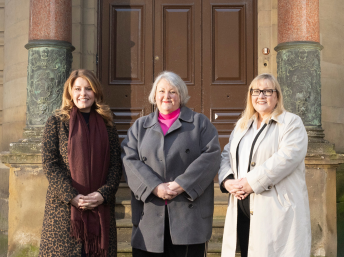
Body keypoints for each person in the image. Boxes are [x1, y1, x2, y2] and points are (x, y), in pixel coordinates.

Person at [121, 71, 221, 256]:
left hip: (188, 218)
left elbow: (212, 156)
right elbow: (129, 159)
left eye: (172, 91)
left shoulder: (200, 123)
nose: (166, 96)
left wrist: (182, 184)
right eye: (161, 91)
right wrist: (155, 186)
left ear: (181, 95)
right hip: (150, 216)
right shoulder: (139, 127)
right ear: (154, 95)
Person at [219, 73, 311, 257]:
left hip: (275, 211)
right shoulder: (242, 125)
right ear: (250, 95)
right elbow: (226, 155)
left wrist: (250, 183)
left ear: (277, 96)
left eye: (267, 91)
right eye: (256, 91)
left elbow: (286, 158)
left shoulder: (291, 123)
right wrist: (228, 181)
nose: (261, 95)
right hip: (243, 209)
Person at [39, 69, 122, 257]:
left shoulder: (107, 123)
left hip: (100, 210)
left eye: (88, 89)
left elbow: (116, 165)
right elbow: (50, 164)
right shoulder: (57, 122)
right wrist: (72, 196)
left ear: (96, 92)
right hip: (64, 212)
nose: (83, 94)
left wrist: (103, 194)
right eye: (77, 89)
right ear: (70, 92)